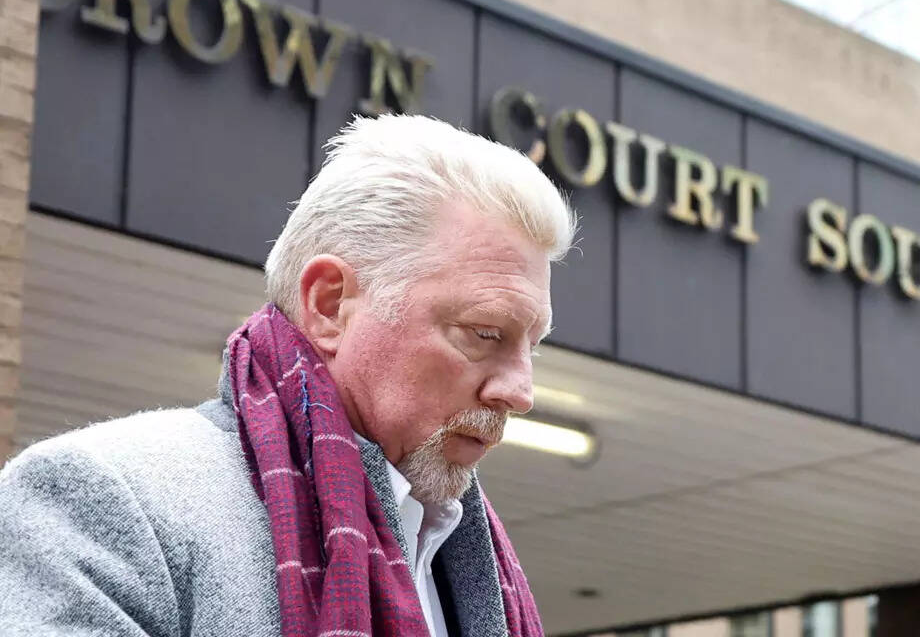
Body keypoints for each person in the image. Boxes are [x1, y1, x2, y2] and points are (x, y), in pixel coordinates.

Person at [0, 115, 577, 636]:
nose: (521, 392)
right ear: (329, 304)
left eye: (532, 347)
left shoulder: (455, 545)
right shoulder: (108, 501)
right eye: (484, 333)